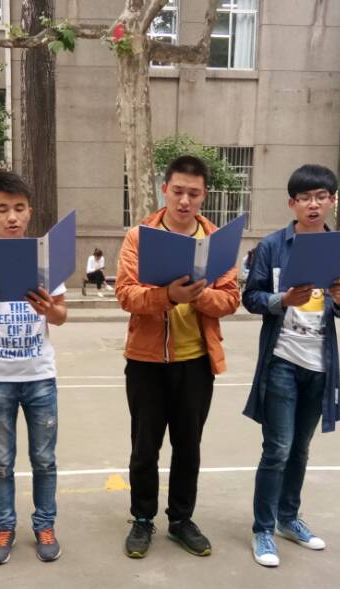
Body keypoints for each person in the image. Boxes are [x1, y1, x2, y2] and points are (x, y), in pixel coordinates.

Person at [115, 155, 240, 559]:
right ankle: (142, 519)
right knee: (144, 447)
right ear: (164, 189)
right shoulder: (140, 237)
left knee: (188, 446)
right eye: (179, 191)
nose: (185, 201)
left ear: (204, 195)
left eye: (194, 193)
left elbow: (230, 299)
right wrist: (168, 295)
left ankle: (181, 520)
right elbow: (126, 294)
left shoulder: (217, 240)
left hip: (196, 361)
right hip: (146, 360)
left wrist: (198, 296)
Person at [242, 164, 340, 568]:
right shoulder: (273, 246)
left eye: (321, 197)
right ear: (292, 203)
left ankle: (288, 519)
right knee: (277, 447)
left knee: (300, 448)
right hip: (282, 360)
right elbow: (252, 297)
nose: (313, 204)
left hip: (320, 365)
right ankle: (263, 528)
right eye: (305, 198)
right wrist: (282, 300)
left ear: (332, 201)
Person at [0, 171, 68, 565]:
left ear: (30, 212)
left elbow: (61, 316)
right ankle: (4, 526)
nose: (12, 217)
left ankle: (45, 525)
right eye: (2, 209)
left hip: (40, 376)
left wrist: (49, 308)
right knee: (1, 462)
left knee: (44, 460)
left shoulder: (45, 257)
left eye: (19, 208)